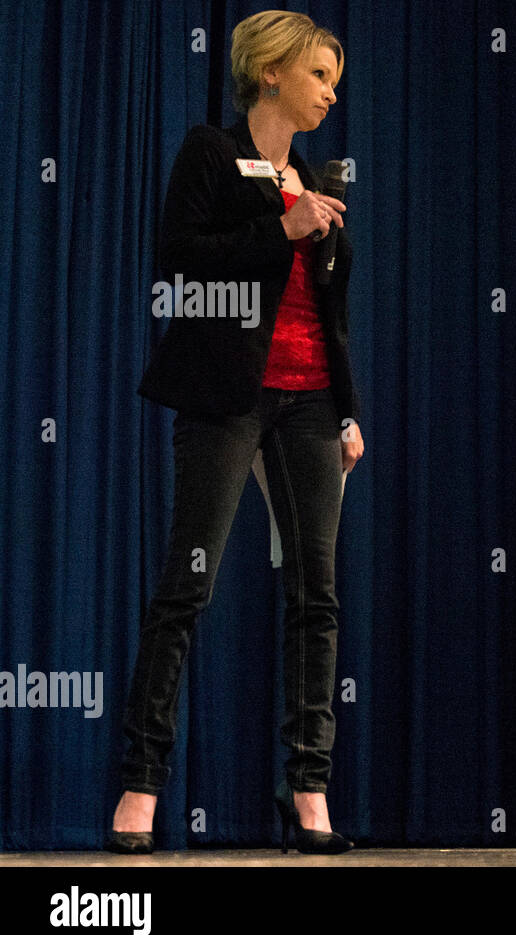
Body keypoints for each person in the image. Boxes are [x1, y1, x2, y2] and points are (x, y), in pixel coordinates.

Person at [106, 10, 363, 854]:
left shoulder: (317, 181)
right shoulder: (211, 153)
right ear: (272, 73)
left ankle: (311, 790)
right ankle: (141, 787)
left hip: (314, 402)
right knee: (188, 590)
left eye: (334, 80)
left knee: (315, 596)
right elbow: (177, 263)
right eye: (319, 74)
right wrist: (276, 230)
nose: (330, 92)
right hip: (228, 399)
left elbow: (333, 316)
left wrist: (350, 412)